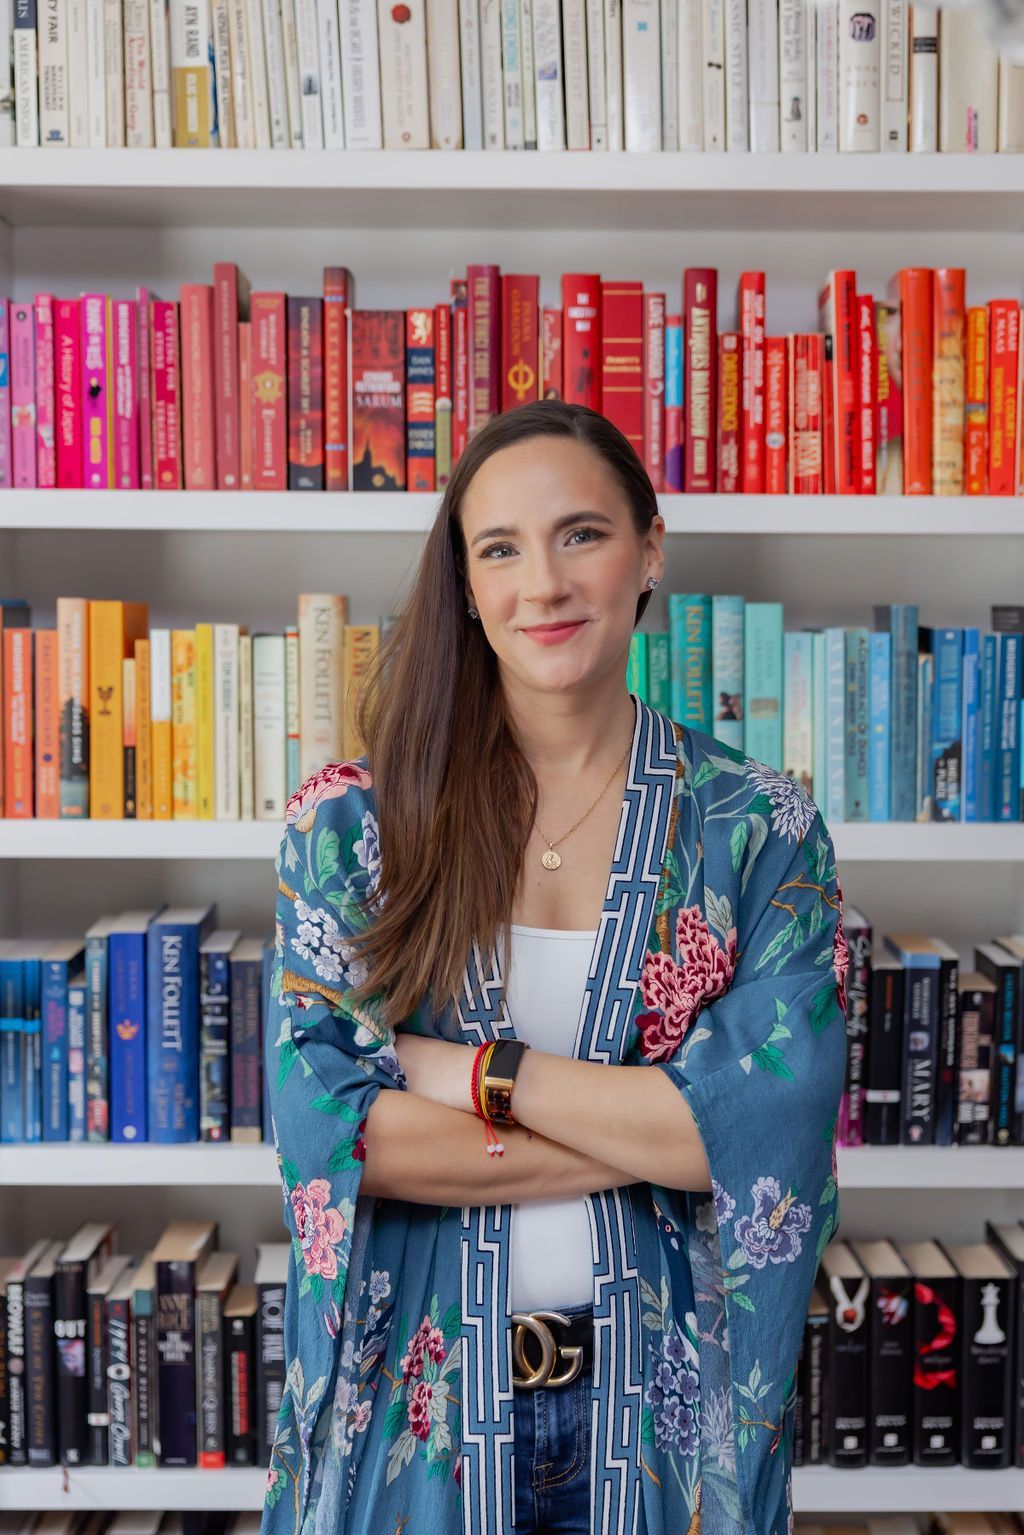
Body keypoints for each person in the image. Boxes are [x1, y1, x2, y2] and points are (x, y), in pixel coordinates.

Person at [261, 399, 848, 1535]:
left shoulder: (756, 826)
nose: (543, 584)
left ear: (650, 549)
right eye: (500, 548)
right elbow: (329, 1132)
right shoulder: (353, 826)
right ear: (465, 583)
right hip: (413, 1428)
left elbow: (773, 1128)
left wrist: (474, 1072)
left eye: (581, 533)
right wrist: (671, 1127)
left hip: (662, 1432)